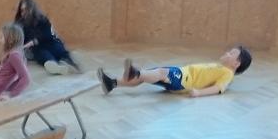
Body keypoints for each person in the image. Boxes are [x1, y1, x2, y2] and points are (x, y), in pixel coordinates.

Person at [96, 47, 251, 98]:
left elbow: (218, 88)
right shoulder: (221, 67)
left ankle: (135, 73)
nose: (227, 53)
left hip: (185, 80)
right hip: (182, 74)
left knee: (158, 72)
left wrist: (199, 93)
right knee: (150, 75)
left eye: (232, 54)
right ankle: (112, 83)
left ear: (236, 64)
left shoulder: (227, 73)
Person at [14, 0, 81, 74]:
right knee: (44, 56)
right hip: (38, 48)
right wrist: (21, 47)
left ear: (32, 9)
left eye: (26, 9)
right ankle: (56, 67)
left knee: (61, 51)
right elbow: (19, 39)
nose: (24, 13)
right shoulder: (20, 24)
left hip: (50, 42)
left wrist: (33, 41)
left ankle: (70, 64)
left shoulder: (43, 19)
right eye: (22, 10)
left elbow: (48, 34)